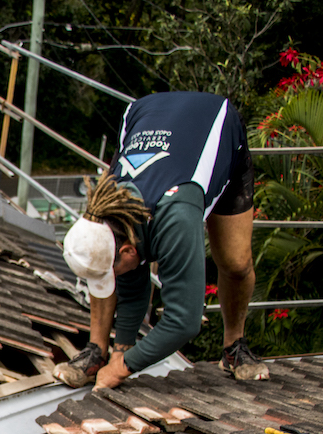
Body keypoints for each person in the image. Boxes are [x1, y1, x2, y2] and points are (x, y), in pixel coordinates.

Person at [53, 91, 269, 390]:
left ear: (129, 249)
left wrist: (122, 370)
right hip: (147, 118)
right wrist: (122, 350)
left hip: (217, 129)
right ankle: (98, 351)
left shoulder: (177, 218)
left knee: (235, 262)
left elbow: (184, 322)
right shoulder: (109, 207)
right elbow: (130, 279)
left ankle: (234, 347)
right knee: (118, 264)